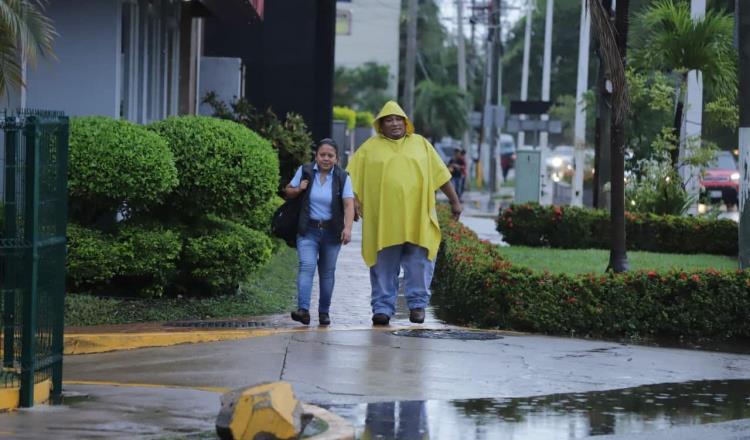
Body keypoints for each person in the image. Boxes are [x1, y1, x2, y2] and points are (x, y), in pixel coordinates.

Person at [347, 101, 462, 326]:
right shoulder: (369, 148)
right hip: (384, 222)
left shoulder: (421, 145)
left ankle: (417, 306)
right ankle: (381, 308)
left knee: (420, 264)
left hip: (417, 220)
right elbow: (350, 179)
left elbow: (442, 176)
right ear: (381, 125)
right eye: (388, 120)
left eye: (398, 119)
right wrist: (353, 203)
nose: (394, 123)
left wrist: (455, 202)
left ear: (405, 122)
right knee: (382, 266)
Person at [284, 139, 355, 326]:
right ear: (316, 156)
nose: (326, 159)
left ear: (336, 159)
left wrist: (347, 228)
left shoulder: (343, 177)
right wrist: (299, 188)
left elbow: (349, 205)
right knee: (306, 267)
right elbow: (288, 191)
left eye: (330, 156)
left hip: (332, 233)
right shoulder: (305, 171)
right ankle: (303, 310)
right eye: (322, 155)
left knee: (327, 273)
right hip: (308, 230)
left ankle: (324, 312)